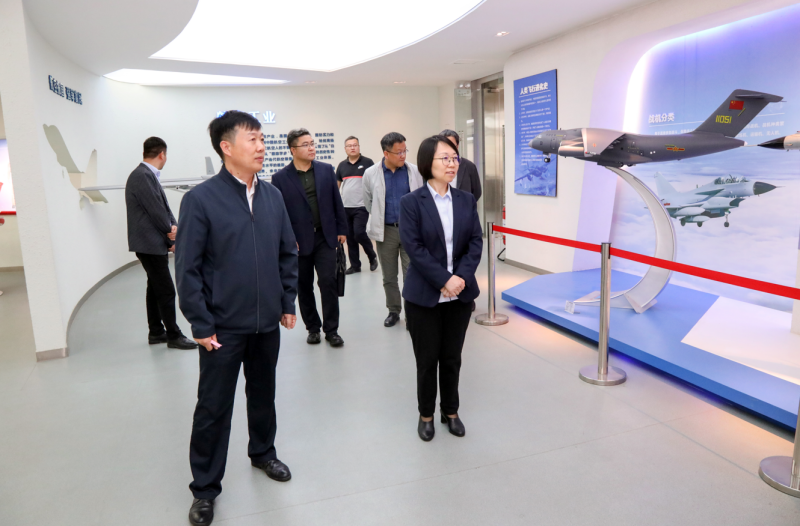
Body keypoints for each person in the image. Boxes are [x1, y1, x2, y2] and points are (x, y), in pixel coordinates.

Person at [175, 111, 299, 526]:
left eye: (263, 138)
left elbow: (287, 252)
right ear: (226, 147)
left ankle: (263, 452)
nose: (262, 146)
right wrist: (201, 324)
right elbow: (188, 269)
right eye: (253, 139)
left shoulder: (272, 196)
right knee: (213, 407)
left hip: (266, 324)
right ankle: (205, 488)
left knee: (263, 394)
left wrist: (287, 301)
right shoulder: (201, 200)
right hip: (222, 328)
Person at [399, 135, 482, 442]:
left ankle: (451, 411)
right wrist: (444, 280)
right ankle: (426, 415)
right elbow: (414, 248)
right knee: (426, 360)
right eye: (444, 158)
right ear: (427, 163)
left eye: (454, 158)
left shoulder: (465, 200)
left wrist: (460, 278)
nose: (452, 164)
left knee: (451, 358)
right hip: (424, 296)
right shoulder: (411, 202)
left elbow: (475, 242)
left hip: (459, 296)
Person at [272, 128, 347, 347]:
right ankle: (313, 328)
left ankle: (331, 330)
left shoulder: (326, 170)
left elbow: (336, 201)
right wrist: (286, 240)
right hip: (297, 241)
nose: (311, 148)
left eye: (312, 143)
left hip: (325, 236)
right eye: (305, 145)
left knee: (328, 282)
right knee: (303, 286)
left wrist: (341, 228)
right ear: (293, 150)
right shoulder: (280, 178)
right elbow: (279, 214)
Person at [125, 137, 197, 350]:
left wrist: (174, 228)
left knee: (155, 287)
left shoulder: (147, 175)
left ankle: (156, 331)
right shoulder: (142, 176)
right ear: (162, 154)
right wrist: (170, 237)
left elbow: (163, 209)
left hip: (151, 243)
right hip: (149, 243)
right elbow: (156, 212)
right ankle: (173, 335)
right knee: (166, 290)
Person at [362, 132, 423, 328]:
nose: (403, 155)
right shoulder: (371, 173)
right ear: (386, 153)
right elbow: (368, 202)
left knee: (411, 274)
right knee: (389, 276)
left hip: (410, 231)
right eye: (399, 152)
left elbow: (420, 198)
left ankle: (412, 313)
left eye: (405, 150)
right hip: (386, 231)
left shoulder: (414, 171)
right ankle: (393, 310)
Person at [336, 136, 378, 274]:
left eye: (355, 145)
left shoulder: (367, 162)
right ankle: (355, 266)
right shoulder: (342, 165)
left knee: (359, 233)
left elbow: (375, 183)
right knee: (350, 238)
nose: (352, 147)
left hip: (362, 206)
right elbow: (337, 186)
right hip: (345, 207)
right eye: (349, 146)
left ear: (359, 147)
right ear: (345, 149)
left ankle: (372, 256)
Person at [439, 129, 482, 201]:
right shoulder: (433, 166)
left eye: (451, 145)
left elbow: (476, 192)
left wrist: (466, 205)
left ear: (457, 146)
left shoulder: (469, 166)